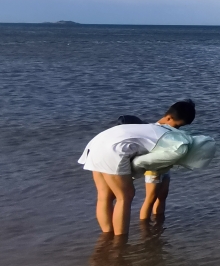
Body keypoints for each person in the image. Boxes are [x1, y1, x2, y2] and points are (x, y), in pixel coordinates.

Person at [78, 100, 196, 236]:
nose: (176, 130)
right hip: (112, 151)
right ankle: (120, 241)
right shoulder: (163, 134)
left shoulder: (143, 127)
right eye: (177, 125)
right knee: (125, 196)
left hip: (95, 144)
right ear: (168, 118)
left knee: (105, 196)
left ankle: (107, 237)